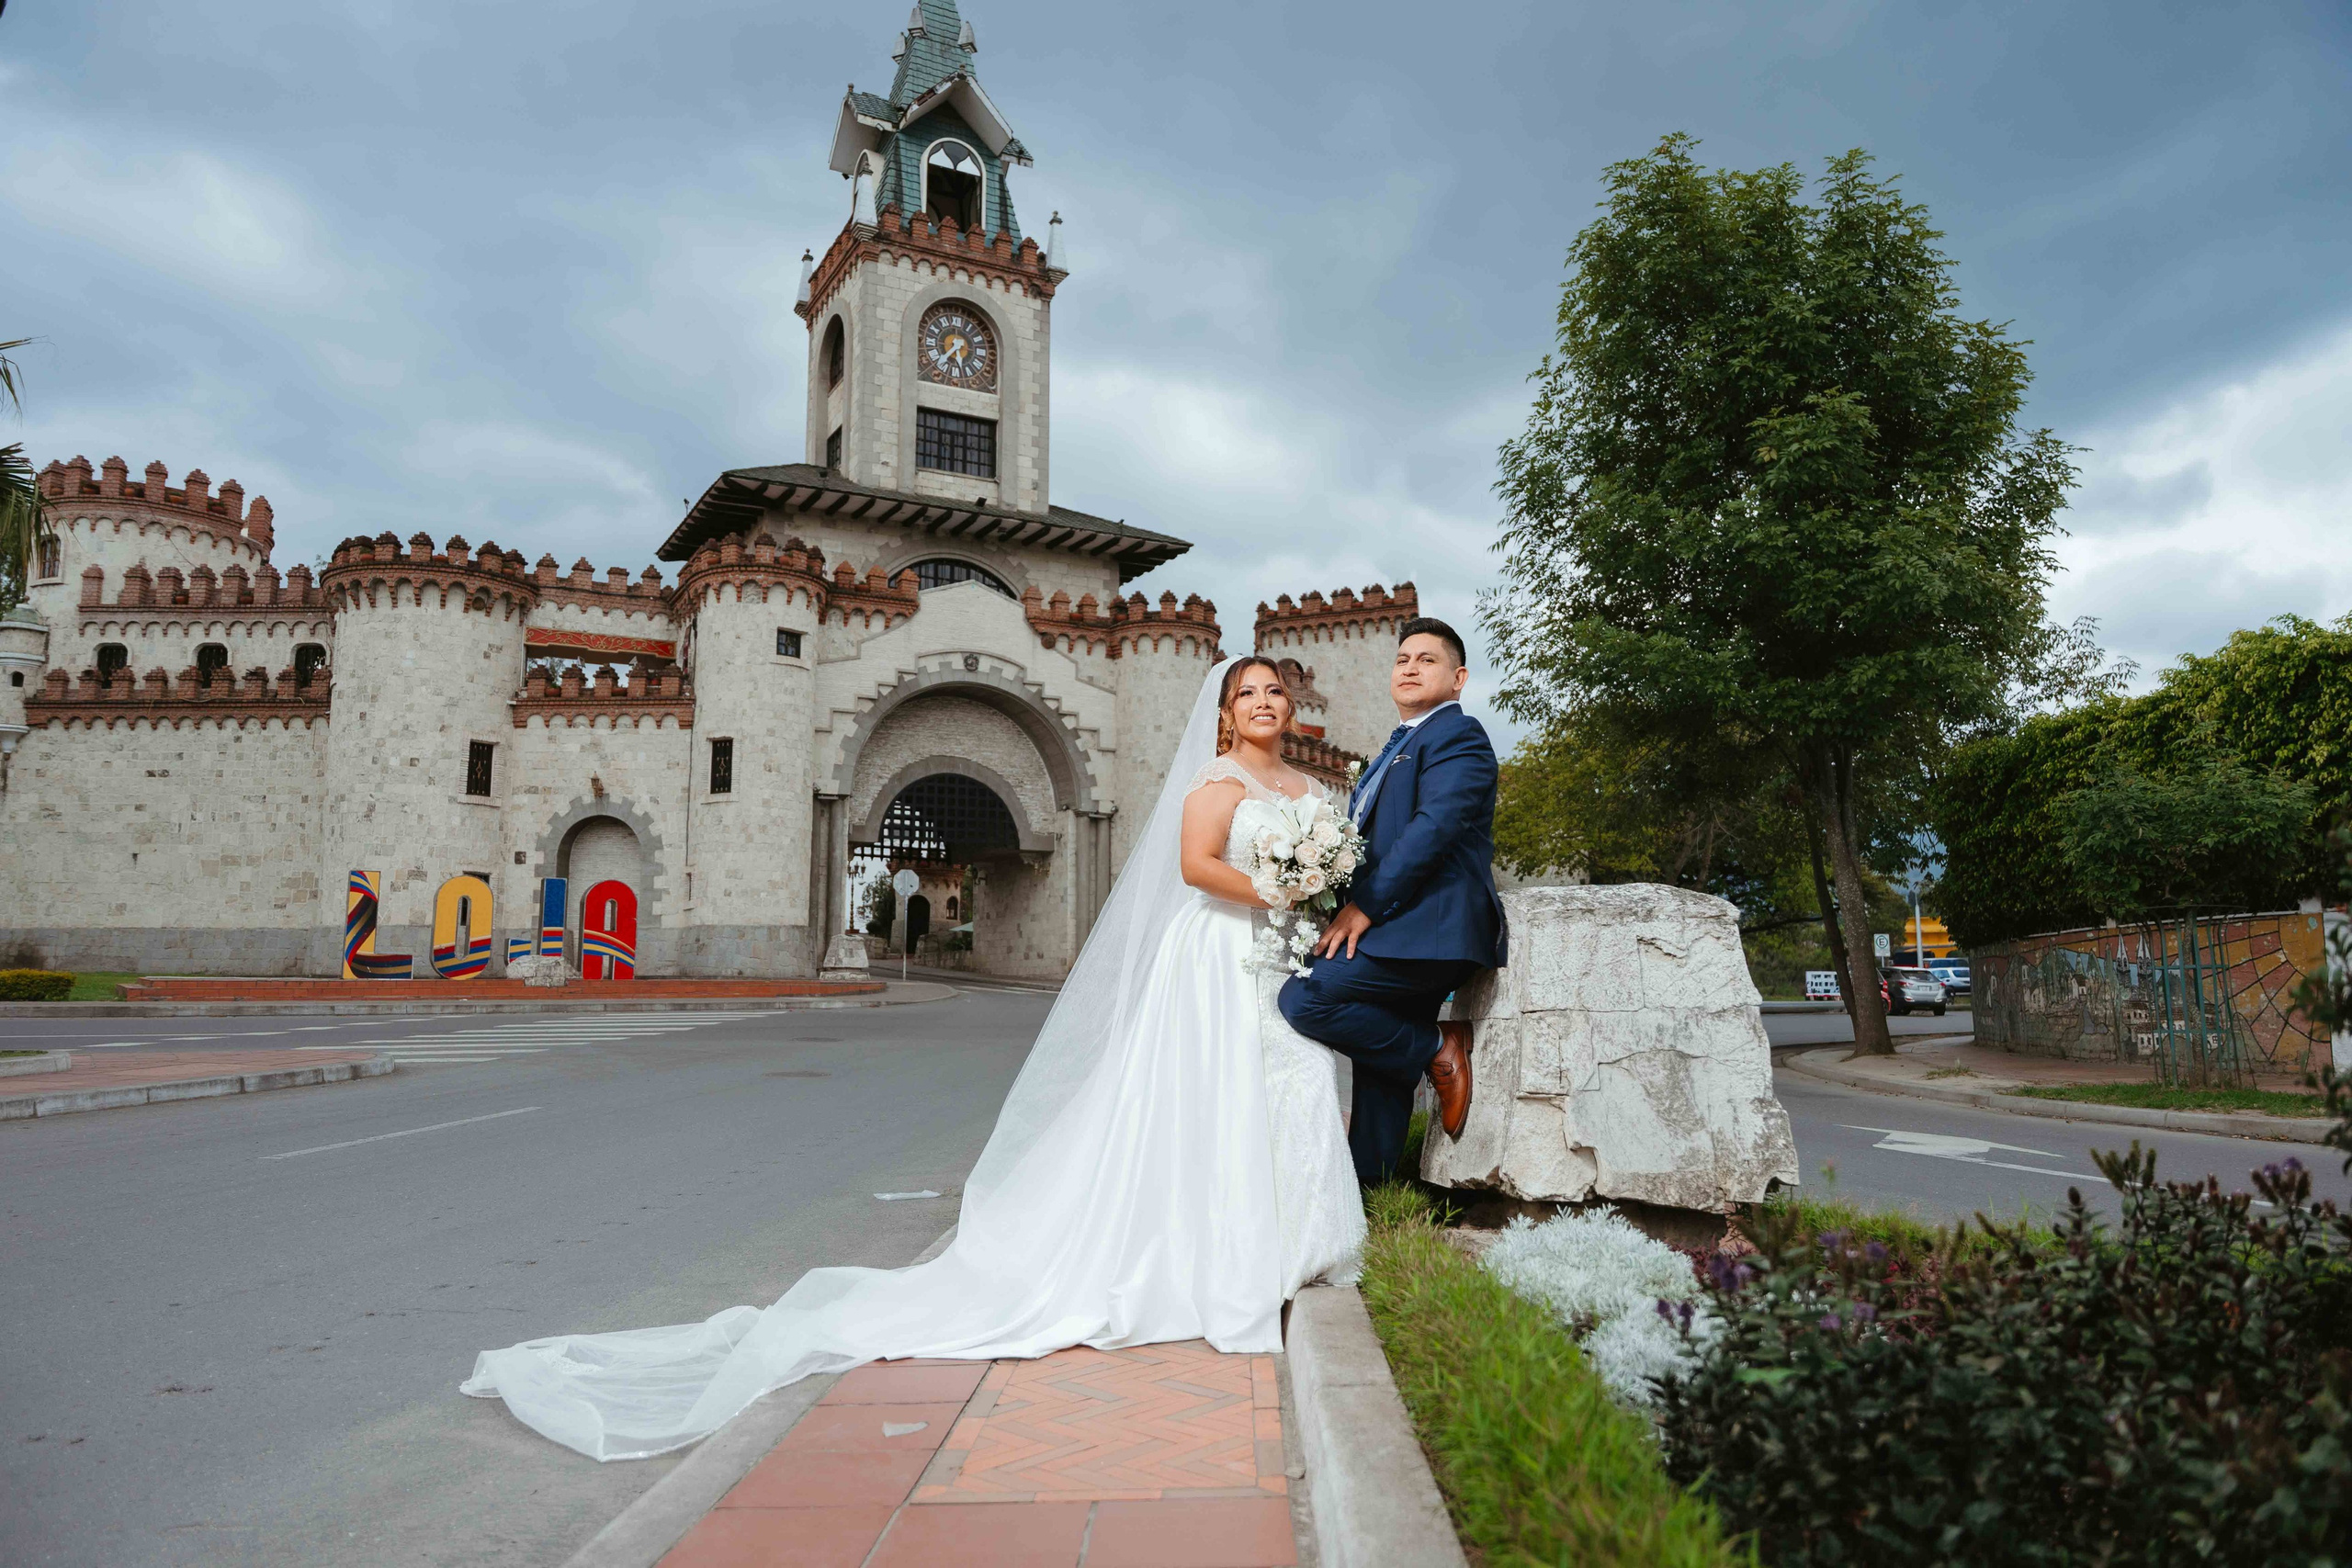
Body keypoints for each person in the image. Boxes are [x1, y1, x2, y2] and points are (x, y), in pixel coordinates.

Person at [461, 656, 1363, 1461]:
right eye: (1246, 693)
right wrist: (1279, 883)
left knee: (1280, 1083)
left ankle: (1294, 1241)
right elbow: (1195, 865)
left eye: (1273, 692)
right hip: (1215, 955)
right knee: (1211, 1096)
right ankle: (1219, 1257)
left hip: (1279, 954)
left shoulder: (1305, 785)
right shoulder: (1212, 783)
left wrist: (1316, 890)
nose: (1262, 703)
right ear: (1222, 714)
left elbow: (1324, 868)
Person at [1278, 617, 1507, 1187]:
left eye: (1427, 660)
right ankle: (1371, 1196)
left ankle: (1438, 1046)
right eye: (1402, 658)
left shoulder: (1460, 736)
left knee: (1307, 998)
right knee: (1378, 1069)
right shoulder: (1393, 749)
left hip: (1434, 929)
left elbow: (1435, 829)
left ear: (1458, 679)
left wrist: (1366, 907)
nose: (1409, 667)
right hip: (1398, 929)